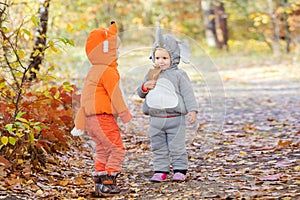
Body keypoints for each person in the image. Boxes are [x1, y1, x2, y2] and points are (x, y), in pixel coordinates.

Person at [71, 21, 132, 196]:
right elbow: (115, 94)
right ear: (107, 51)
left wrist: (80, 121)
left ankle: (99, 184)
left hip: (91, 120)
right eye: (116, 50)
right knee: (117, 149)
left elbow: (86, 98)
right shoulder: (107, 71)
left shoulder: (93, 70)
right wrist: (124, 113)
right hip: (103, 118)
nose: (118, 53)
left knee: (103, 149)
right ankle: (108, 183)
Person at [137, 26, 198, 182]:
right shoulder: (151, 74)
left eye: (165, 58)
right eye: (157, 58)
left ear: (173, 58)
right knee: (158, 147)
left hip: (175, 119)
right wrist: (145, 87)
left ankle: (180, 170)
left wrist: (192, 110)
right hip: (155, 119)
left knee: (176, 146)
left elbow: (188, 94)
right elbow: (140, 93)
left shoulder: (179, 75)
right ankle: (161, 170)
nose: (160, 61)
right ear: (153, 57)